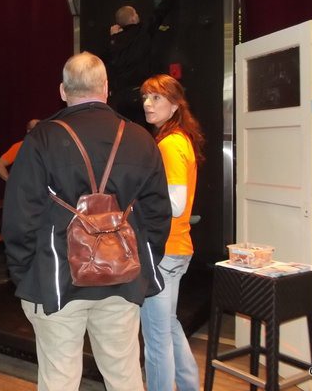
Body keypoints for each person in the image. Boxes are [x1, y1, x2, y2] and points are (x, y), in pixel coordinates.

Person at [2, 51, 172, 391]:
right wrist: (140, 260)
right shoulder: (141, 138)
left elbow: (20, 216)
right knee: (124, 376)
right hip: (123, 280)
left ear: (63, 90)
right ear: (106, 87)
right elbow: (158, 215)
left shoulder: (42, 138)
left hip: (56, 281)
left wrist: (25, 273)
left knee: (59, 379)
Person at [139, 74, 205, 391]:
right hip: (176, 248)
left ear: (175, 104)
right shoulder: (179, 140)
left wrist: (137, 195)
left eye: (156, 98)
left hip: (164, 251)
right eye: (145, 97)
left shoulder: (169, 144)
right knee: (167, 325)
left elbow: (176, 204)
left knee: (156, 337)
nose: (147, 104)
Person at [107, 0, 185, 123]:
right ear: (133, 18)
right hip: (140, 94)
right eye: (136, 13)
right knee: (143, 131)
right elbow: (162, 10)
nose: (138, 15)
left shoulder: (114, 41)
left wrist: (113, 37)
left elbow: (110, 62)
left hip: (119, 99)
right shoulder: (143, 31)